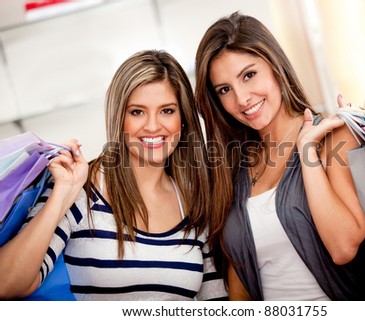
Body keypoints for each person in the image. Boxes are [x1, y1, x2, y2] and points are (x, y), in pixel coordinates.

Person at [0, 50, 228, 301]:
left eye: (167, 110)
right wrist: (63, 192)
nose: (153, 126)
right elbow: (7, 284)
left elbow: (214, 304)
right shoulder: (81, 190)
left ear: (183, 120)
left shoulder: (195, 203)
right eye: (137, 112)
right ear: (118, 118)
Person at [194, 12, 365, 300]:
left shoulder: (333, 136)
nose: (242, 99)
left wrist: (306, 150)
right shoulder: (232, 169)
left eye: (249, 75)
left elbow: (343, 247)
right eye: (225, 90)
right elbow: (240, 279)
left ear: (274, 66)